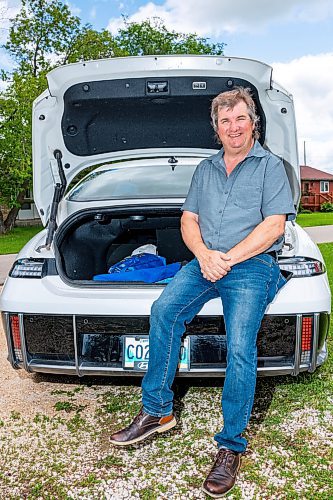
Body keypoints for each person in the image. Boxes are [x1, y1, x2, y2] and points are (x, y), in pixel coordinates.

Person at [109, 87, 296, 497]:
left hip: (251, 265)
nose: (233, 127)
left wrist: (225, 259)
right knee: (164, 311)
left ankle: (231, 447)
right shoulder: (206, 169)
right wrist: (203, 254)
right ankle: (157, 412)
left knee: (241, 344)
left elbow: (274, 227)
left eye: (240, 119)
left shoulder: (271, 168)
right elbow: (188, 219)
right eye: (225, 121)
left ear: (254, 123)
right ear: (216, 128)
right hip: (205, 260)